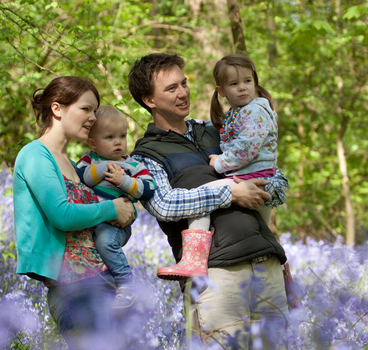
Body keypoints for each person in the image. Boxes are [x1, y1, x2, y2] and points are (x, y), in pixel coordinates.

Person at [128, 53, 289, 347]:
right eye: (171, 88)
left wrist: (266, 187)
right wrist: (231, 191)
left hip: (265, 263)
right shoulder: (145, 154)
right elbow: (165, 204)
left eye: (184, 83)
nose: (183, 92)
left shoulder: (218, 130)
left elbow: (276, 179)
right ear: (148, 100)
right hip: (216, 276)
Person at [13, 76, 135, 350]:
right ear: (57, 108)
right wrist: (111, 208)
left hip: (104, 280)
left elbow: (98, 221)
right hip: (73, 289)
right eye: (86, 109)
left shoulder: (71, 164)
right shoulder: (34, 155)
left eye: (94, 110)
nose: (93, 117)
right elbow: (62, 215)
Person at [156, 54, 278, 279]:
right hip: (252, 177)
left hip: (253, 176)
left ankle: (194, 259)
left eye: (247, 82)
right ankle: (279, 267)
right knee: (261, 228)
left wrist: (220, 162)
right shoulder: (235, 114)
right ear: (221, 90)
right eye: (234, 84)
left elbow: (247, 148)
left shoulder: (255, 110)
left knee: (204, 196)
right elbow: (163, 205)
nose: (242, 88)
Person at [75, 105, 156, 308]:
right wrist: (104, 168)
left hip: (114, 226)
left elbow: (148, 189)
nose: (118, 142)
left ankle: (126, 284)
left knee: (104, 242)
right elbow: (81, 178)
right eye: (109, 137)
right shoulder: (88, 161)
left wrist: (124, 182)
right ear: (93, 143)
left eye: (122, 135)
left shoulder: (133, 166)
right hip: (89, 222)